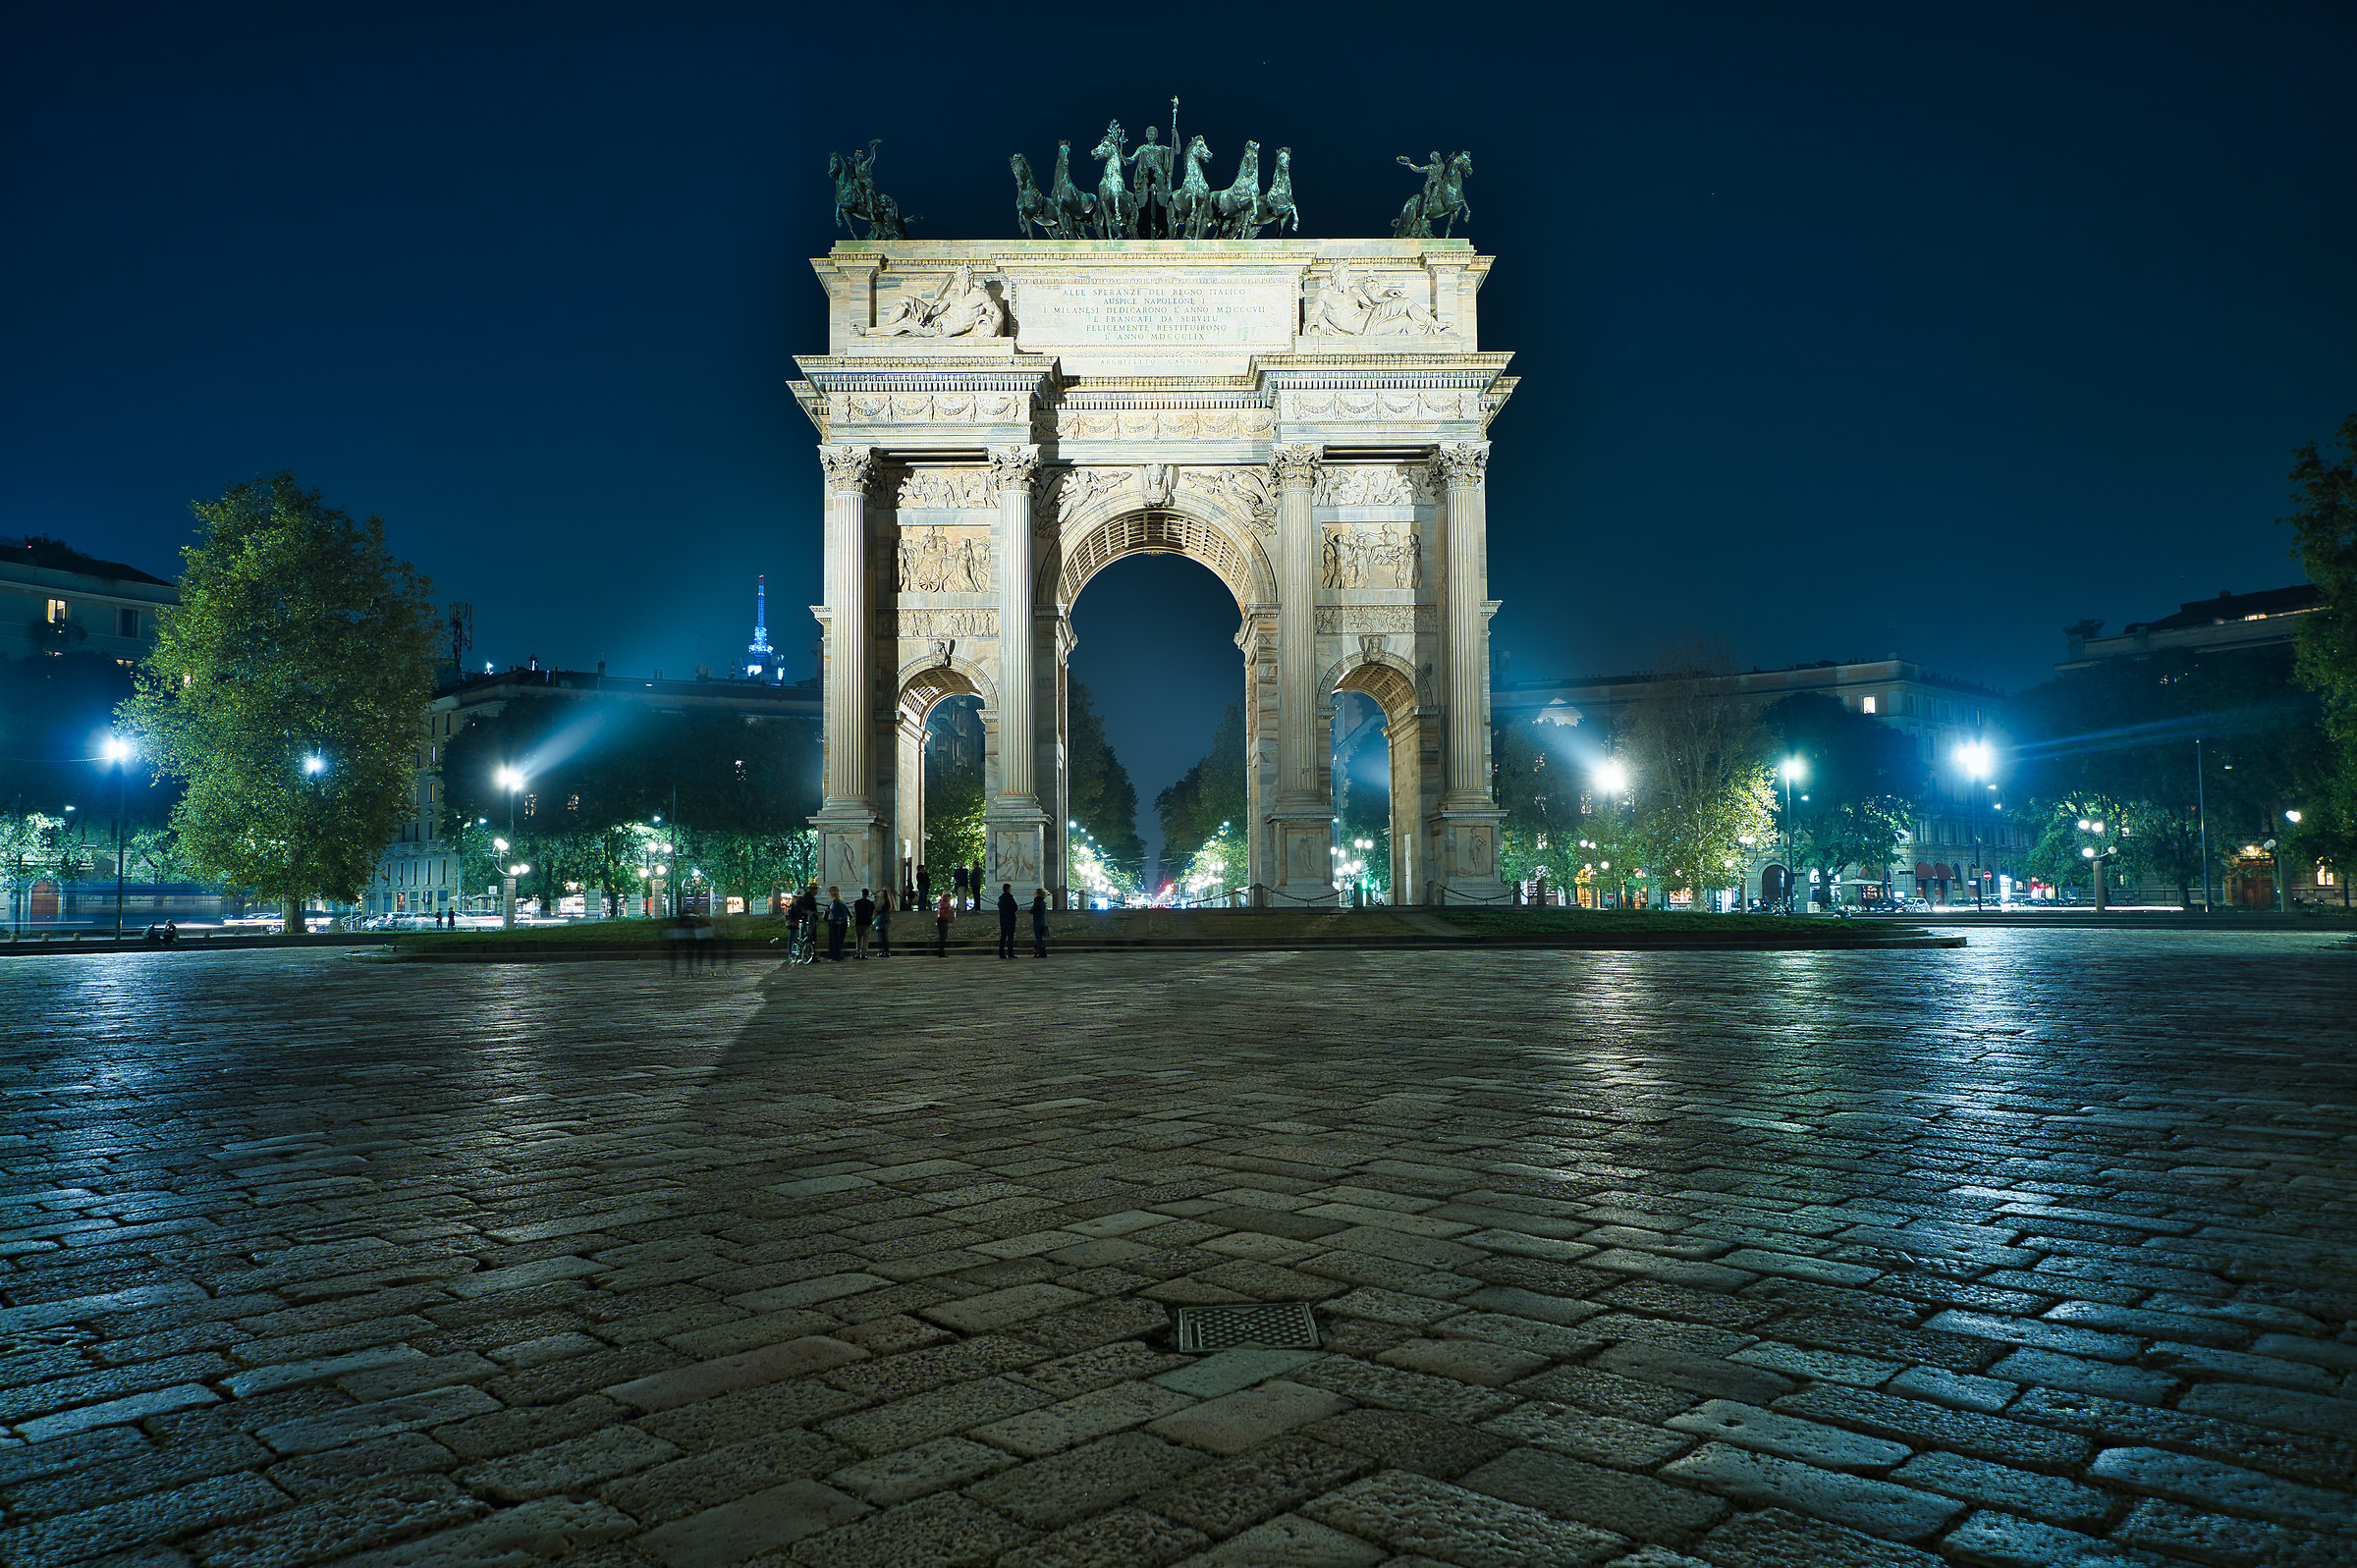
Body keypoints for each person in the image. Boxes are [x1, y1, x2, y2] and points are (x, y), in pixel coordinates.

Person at [824, 886, 850, 962]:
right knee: (836, 941)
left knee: (836, 941)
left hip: (836, 923)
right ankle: (836, 955)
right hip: (835, 922)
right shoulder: (836, 902)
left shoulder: (837, 902)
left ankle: (836, 956)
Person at [996, 882, 1018, 959]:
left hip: (1003, 919)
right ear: (1008, 889)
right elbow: (1015, 907)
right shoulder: (1009, 897)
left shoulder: (1001, 898)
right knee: (1010, 937)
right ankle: (1010, 953)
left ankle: (1001, 953)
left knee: (1003, 936)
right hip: (1010, 919)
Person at [853, 889, 875, 960]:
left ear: (862, 893)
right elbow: (872, 913)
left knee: (858, 938)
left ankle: (858, 953)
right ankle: (864, 954)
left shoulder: (857, 902)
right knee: (866, 938)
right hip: (867, 922)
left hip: (859, 922)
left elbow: (856, 912)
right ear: (868, 894)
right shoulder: (870, 903)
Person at [1030, 887, 1050, 958]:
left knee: (1038, 937)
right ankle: (1040, 951)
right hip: (1042, 920)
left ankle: (1041, 952)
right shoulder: (1043, 902)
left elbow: (1033, 911)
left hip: (1037, 920)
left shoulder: (1037, 901)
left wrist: (1031, 911)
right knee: (1040, 937)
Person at [935, 889, 955, 956]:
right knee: (943, 936)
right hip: (943, 919)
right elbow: (945, 910)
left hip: (943, 919)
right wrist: (950, 909)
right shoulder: (944, 903)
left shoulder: (943, 902)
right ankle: (941, 952)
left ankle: (941, 951)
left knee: (943, 936)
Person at [874, 890, 892, 957]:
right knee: (882, 937)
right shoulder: (886, 902)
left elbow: (882, 910)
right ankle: (884, 951)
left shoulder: (885, 902)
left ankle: (884, 951)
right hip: (883, 920)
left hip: (883, 920)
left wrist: (878, 911)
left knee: (883, 937)